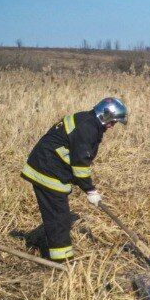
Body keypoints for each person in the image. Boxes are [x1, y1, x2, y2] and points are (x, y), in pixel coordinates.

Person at [21, 98, 127, 262]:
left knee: (56, 216)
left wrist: (87, 187)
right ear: (104, 115)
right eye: (112, 121)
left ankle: (38, 242)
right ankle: (61, 262)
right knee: (59, 218)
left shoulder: (88, 121)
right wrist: (90, 190)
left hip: (49, 167)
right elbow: (80, 164)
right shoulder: (88, 128)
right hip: (47, 170)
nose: (112, 126)